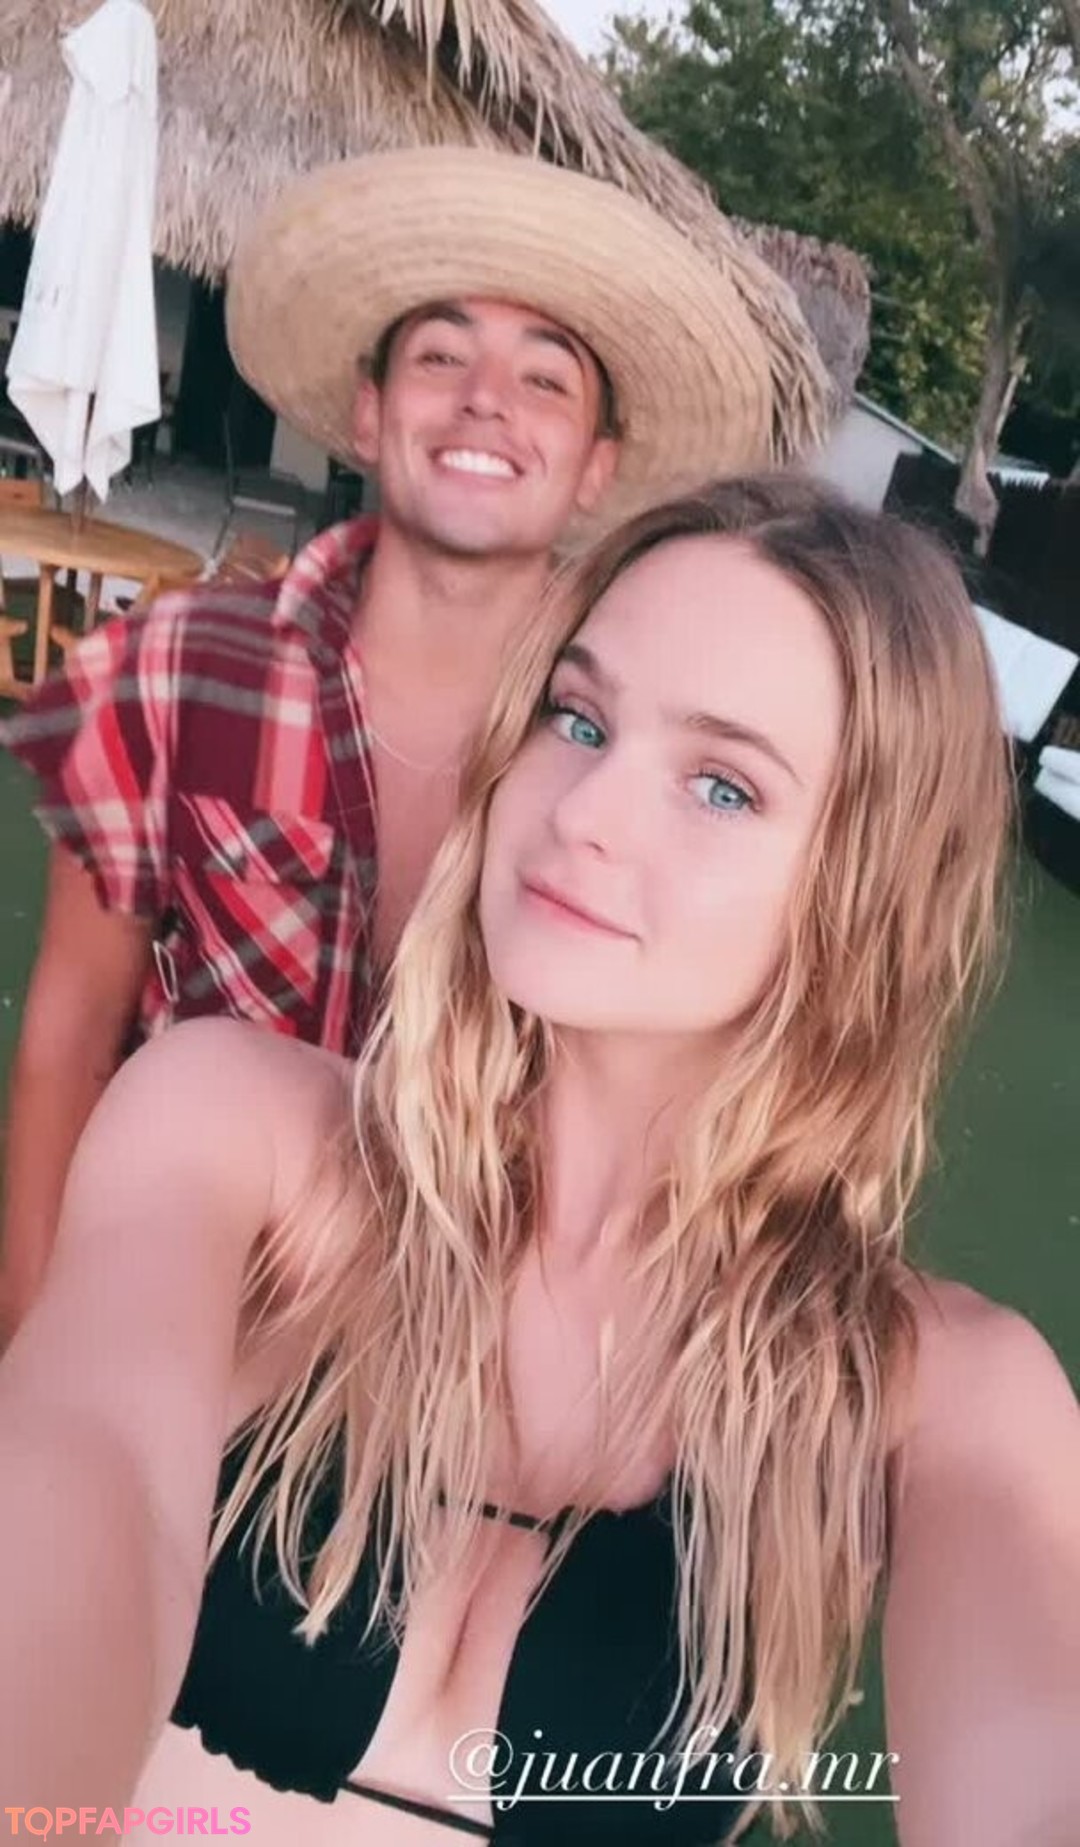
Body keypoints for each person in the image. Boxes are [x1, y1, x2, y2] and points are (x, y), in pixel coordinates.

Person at [1, 475, 1077, 1847]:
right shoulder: (234, 1136)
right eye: (579, 718)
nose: (582, 811)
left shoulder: (945, 1397)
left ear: (865, 893)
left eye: (723, 784)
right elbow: (76, 1500)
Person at [0, 145, 827, 1333]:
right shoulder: (169, 665)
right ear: (369, 409)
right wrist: (35, 1338)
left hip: (463, 1369)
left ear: (596, 468)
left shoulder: (650, 757)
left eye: (546, 379)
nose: (486, 398)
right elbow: (71, 1030)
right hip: (184, 1312)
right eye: (441, 356)